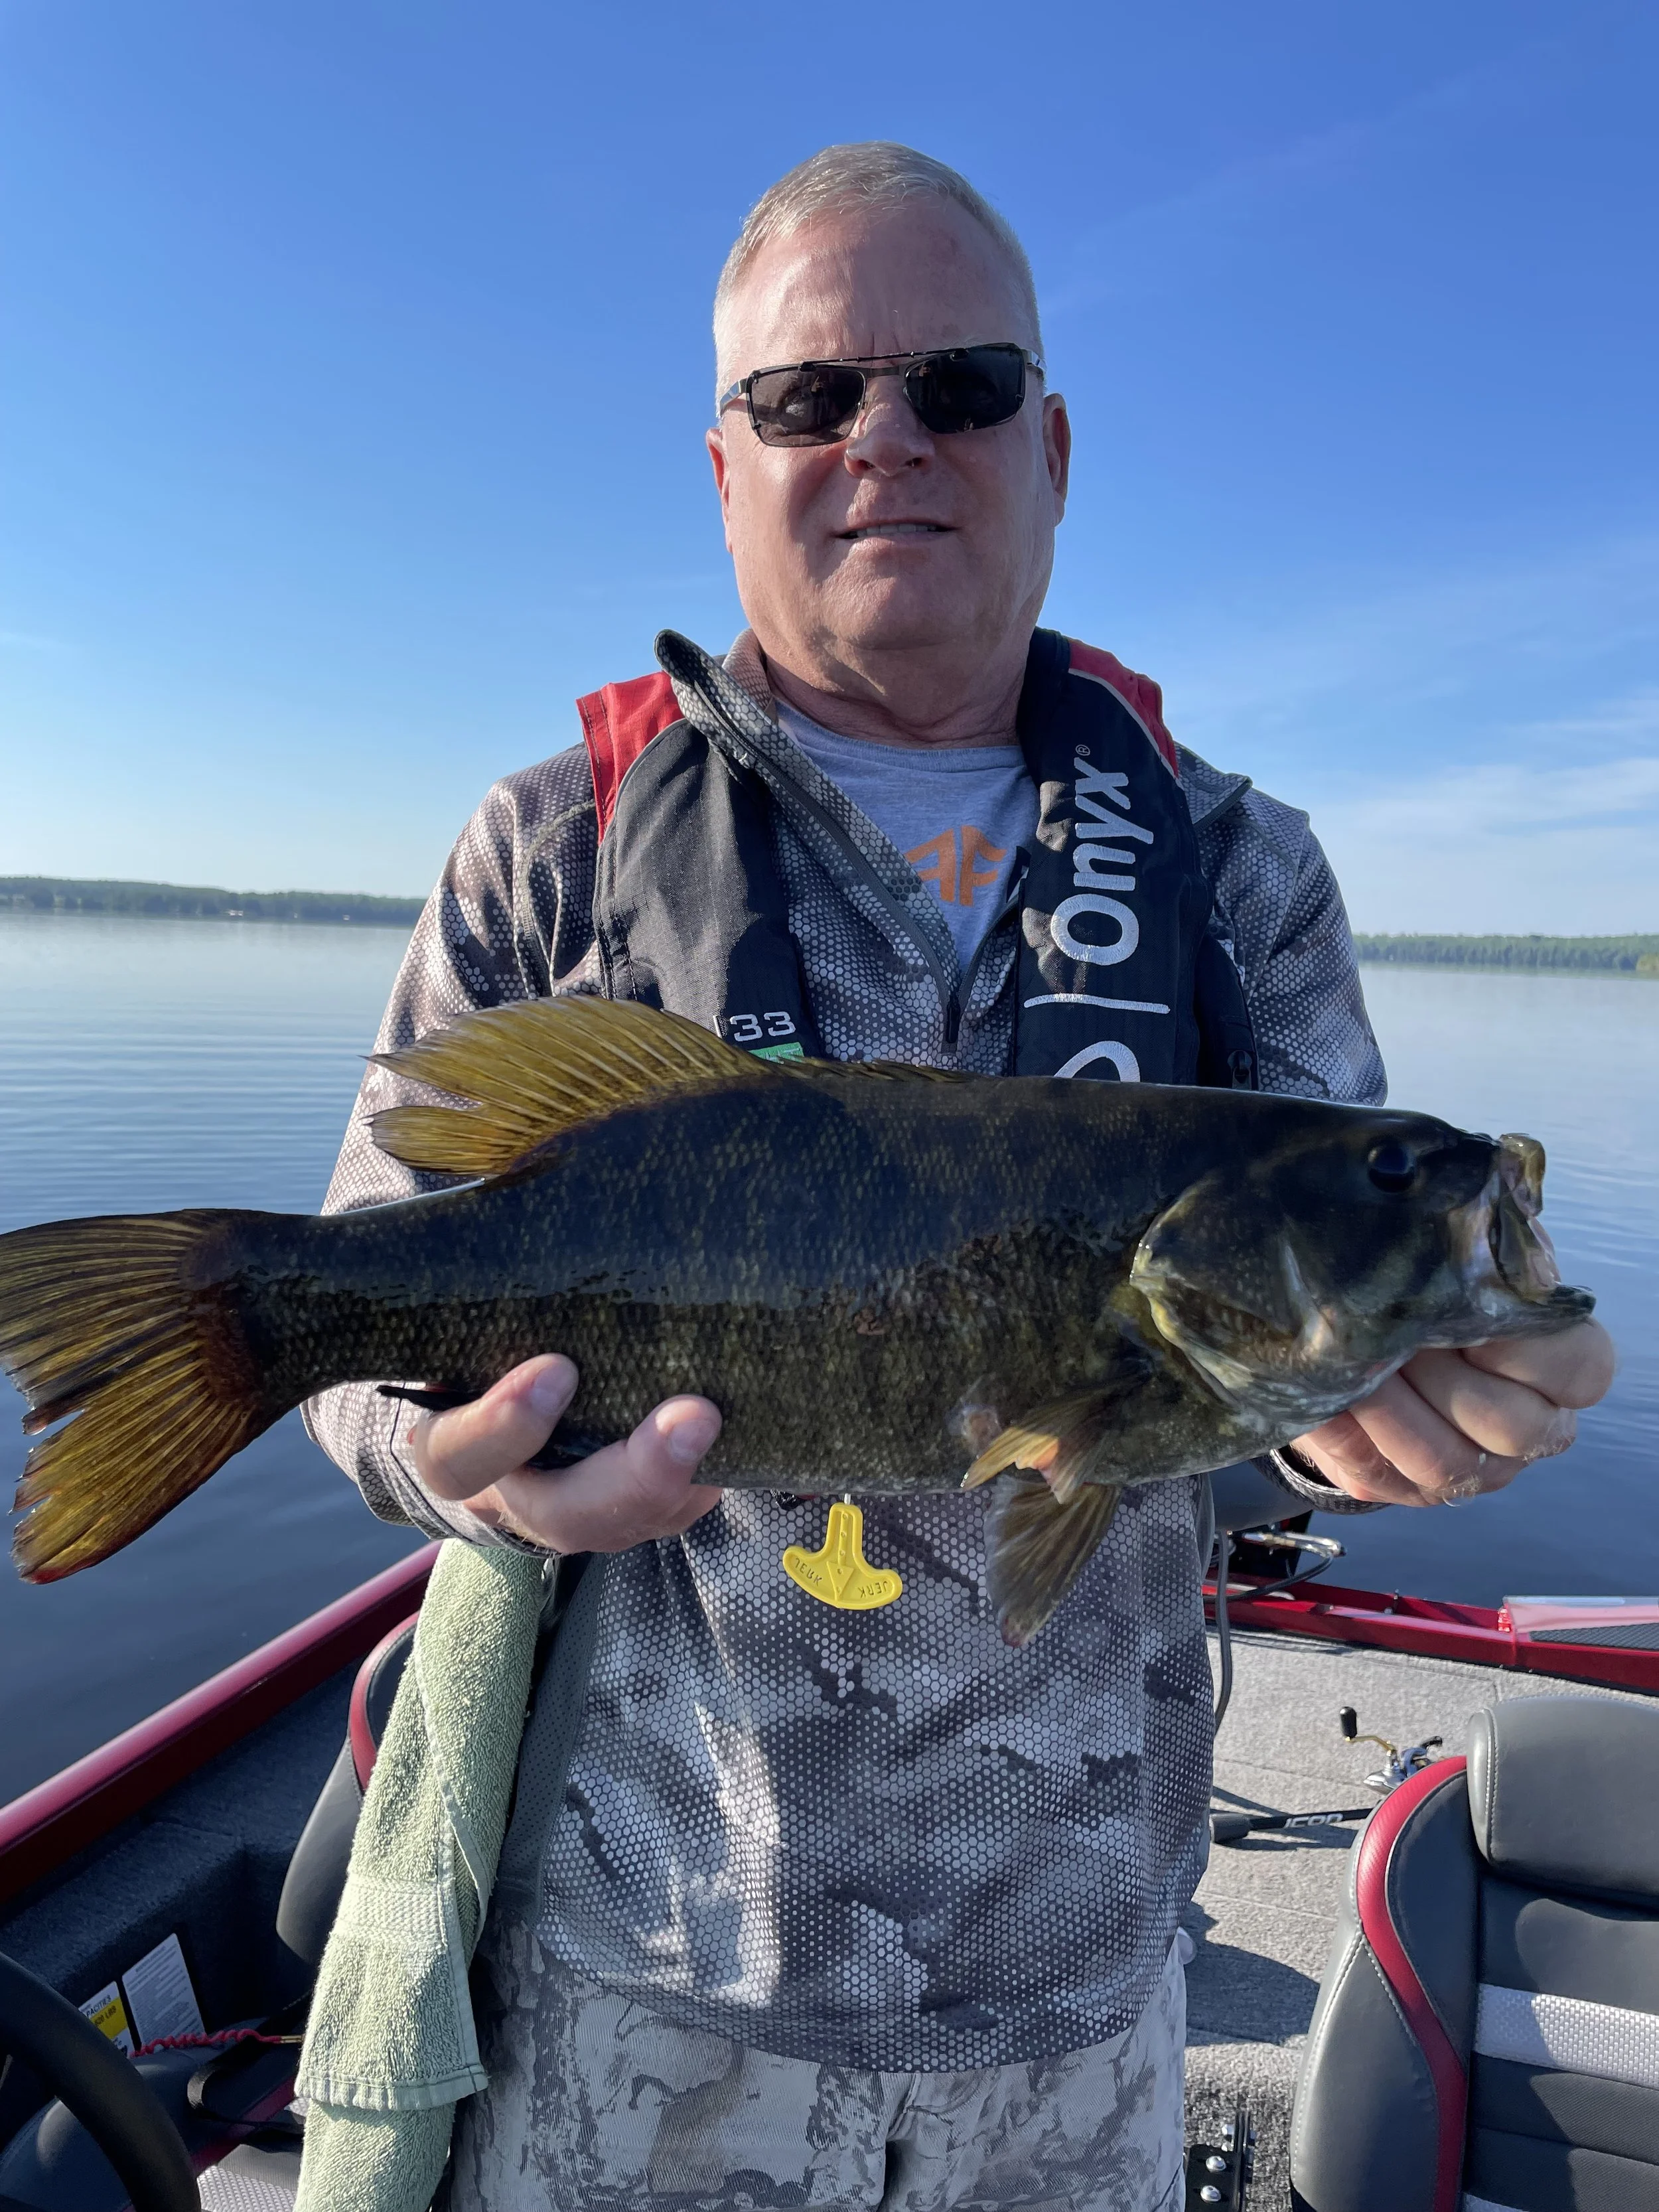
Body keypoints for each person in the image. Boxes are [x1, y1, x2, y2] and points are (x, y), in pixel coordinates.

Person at [305, 144, 1615, 2211]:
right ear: (724, 466)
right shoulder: (557, 843)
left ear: (1056, 444)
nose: (886, 441)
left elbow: (1264, 1416)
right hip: (645, 1980)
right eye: (809, 398)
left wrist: (1428, 1415)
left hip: (1079, 1994)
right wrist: (457, 1459)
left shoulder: (1236, 867)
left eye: (962, 384)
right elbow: (350, 1335)